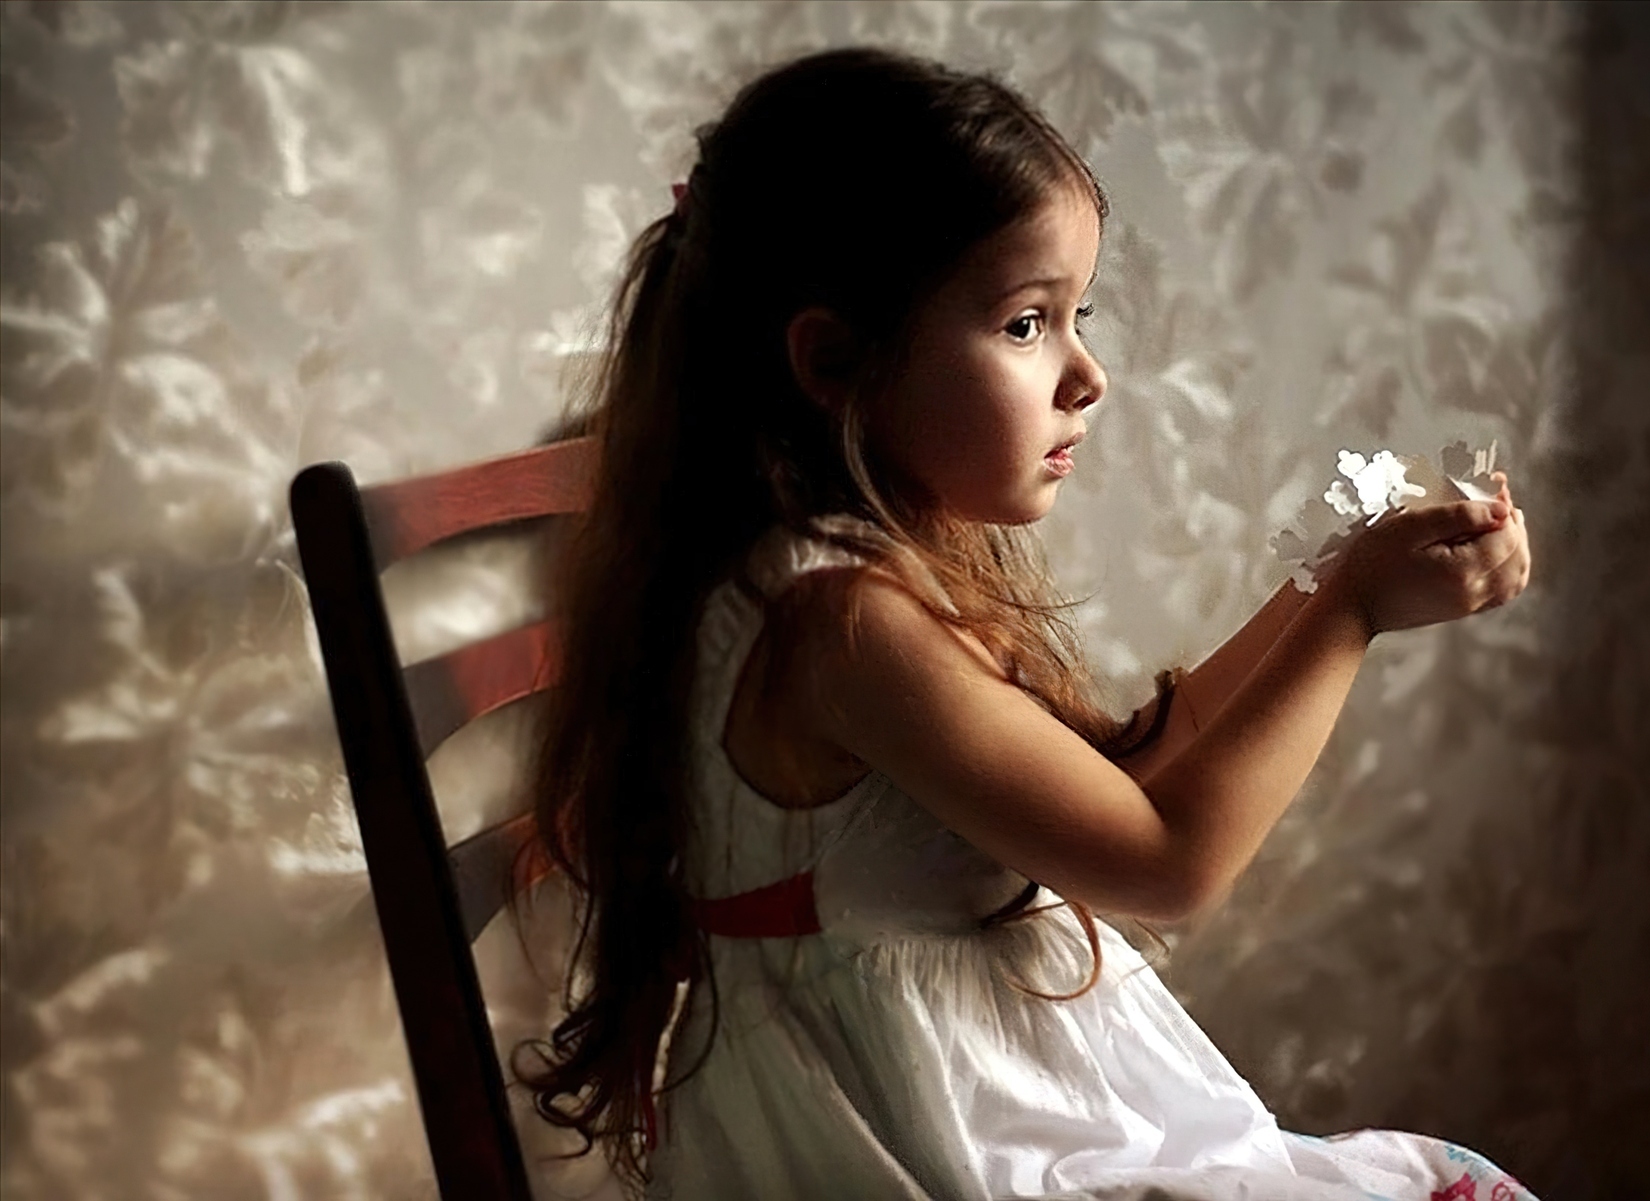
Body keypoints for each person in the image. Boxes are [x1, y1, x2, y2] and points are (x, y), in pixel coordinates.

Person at [515, 45, 1535, 1201]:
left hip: (998, 1115)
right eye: (1024, 322)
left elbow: (1128, 776)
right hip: (916, 1149)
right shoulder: (838, 622)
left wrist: (1335, 578)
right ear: (835, 360)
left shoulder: (844, 580)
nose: (1087, 373)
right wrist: (1352, 613)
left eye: (1074, 314)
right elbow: (1166, 861)